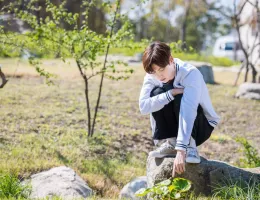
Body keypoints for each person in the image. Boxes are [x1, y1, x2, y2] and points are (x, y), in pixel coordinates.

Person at [139, 41, 220, 175]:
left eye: (161, 69)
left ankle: (191, 147)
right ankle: (171, 143)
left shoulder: (189, 73)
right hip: (178, 126)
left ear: (171, 60)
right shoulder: (152, 76)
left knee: (181, 98)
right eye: (154, 72)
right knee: (158, 94)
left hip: (201, 126)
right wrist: (171, 93)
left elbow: (189, 110)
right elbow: (143, 107)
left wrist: (181, 151)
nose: (159, 76)